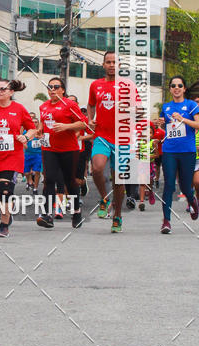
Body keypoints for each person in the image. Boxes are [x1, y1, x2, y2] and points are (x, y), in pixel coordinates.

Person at [87, 50, 140, 234]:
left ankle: (117, 215)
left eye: (114, 62)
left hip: (122, 138)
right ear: (103, 65)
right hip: (102, 135)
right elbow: (91, 105)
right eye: (108, 62)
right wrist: (90, 120)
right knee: (97, 168)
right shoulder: (96, 85)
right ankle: (104, 198)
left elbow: (138, 111)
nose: (111, 65)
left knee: (119, 180)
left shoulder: (128, 85)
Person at [0, 78, 36, 238]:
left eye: (3, 89)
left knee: (5, 191)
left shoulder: (19, 109)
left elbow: (32, 129)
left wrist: (26, 137)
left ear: (11, 92)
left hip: (12, 156)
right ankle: (7, 213)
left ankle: (3, 225)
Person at [36, 78, 87, 229]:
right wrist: (40, 130)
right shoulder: (43, 106)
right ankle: (46, 215)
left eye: (56, 86)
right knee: (49, 179)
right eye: (49, 86)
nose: (52, 89)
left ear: (62, 90)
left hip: (68, 149)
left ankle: (76, 212)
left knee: (70, 183)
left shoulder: (69, 104)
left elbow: (83, 123)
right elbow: (42, 122)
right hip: (49, 148)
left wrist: (66, 126)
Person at [156, 75, 199, 233]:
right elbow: (169, 128)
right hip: (169, 150)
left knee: (185, 186)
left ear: (184, 89)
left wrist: (183, 119)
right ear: (170, 89)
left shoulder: (191, 105)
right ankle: (166, 221)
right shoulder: (166, 107)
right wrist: (160, 124)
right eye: (173, 85)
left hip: (187, 151)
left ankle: (192, 199)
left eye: (179, 85)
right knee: (168, 185)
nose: (176, 88)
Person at [23, 113, 43, 193]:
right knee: (27, 172)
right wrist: (24, 145)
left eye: (36, 122)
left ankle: (35, 188)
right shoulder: (26, 132)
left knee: (37, 171)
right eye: (33, 122)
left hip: (38, 154)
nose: (34, 123)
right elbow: (22, 140)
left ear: (38, 123)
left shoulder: (41, 132)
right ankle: (29, 180)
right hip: (28, 154)